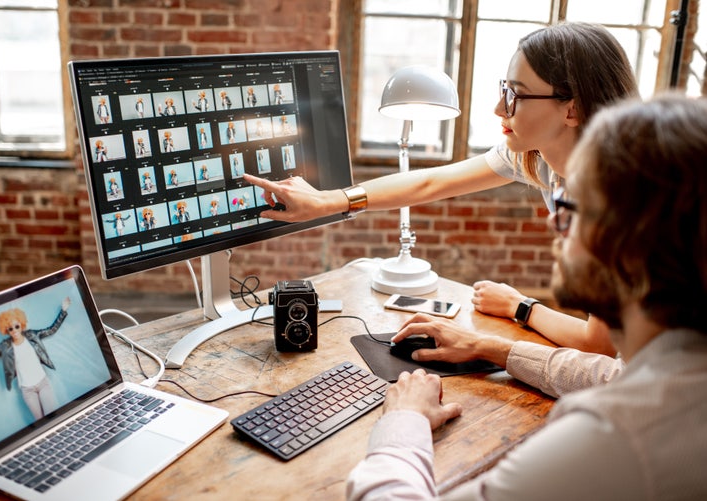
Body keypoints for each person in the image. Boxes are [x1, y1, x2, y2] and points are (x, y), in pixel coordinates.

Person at [346, 93, 707, 500]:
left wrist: (404, 421)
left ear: (631, 242)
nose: (555, 221)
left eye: (574, 204)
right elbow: (612, 374)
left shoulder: (620, 436)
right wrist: (492, 347)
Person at [245, 22, 638, 356]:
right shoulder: (538, 157)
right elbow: (432, 181)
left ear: (572, 109)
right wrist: (327, 201)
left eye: (516, 95)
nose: (499, 109)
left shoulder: (616, 196)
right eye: (505, 90)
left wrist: (520, 307)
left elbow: (598, 344)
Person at [0, 297, 71, 419]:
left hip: (43, 383)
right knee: (40, 421)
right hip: (27, 390)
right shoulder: (5, 346)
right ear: (6, 330)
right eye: (10, 328)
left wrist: (63, 311)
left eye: (16, 326)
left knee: (53, 417)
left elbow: (51, 330)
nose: (14, 330)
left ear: (21, 325)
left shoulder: (32, 335)